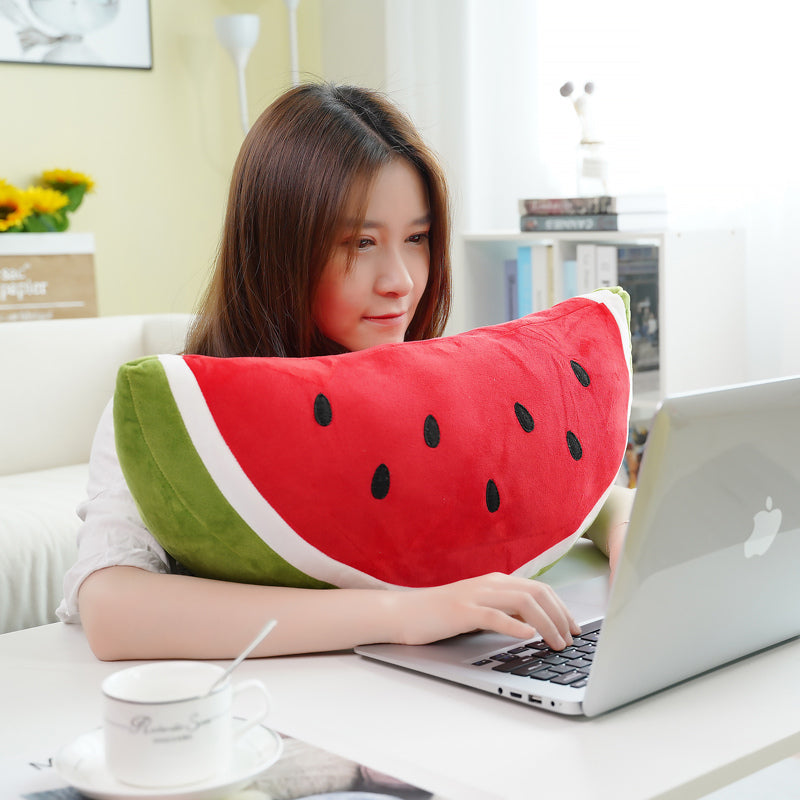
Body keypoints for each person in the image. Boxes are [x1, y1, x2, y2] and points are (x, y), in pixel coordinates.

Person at [57, 82, 633, 661]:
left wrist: (622, 521)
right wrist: (405, 612)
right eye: (361, 242)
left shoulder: (435, 383)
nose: (401, 281)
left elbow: (553, 486)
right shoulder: (181, 411)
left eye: (416, 238)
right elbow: (110, 608)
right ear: (281, 247)